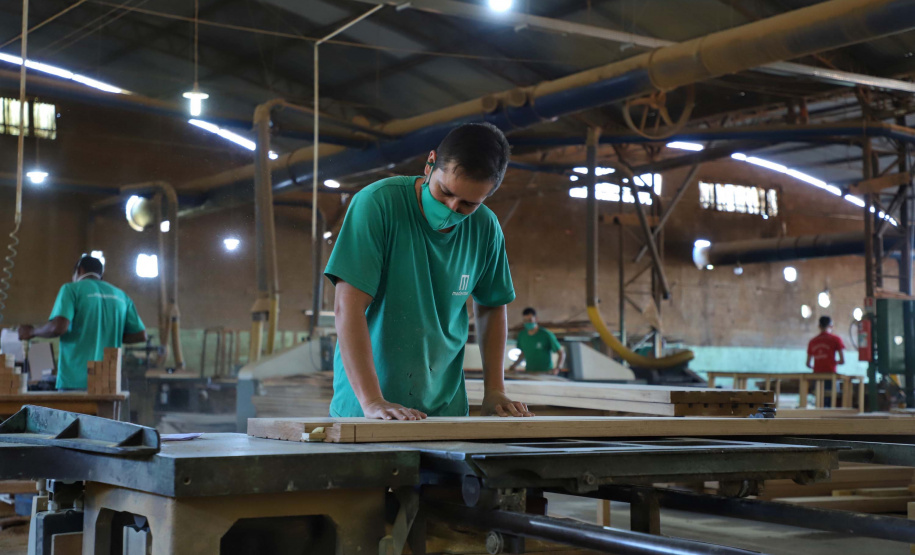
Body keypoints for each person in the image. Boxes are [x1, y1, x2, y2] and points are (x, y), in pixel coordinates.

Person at [325, 122, 532, 420]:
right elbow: (348, 307)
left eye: (467, 204)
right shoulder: (378, 205)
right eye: (445, 192)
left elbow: (491, 307)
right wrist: (372, 401)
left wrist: (495, 390)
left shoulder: (485, 227)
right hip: (366, 412)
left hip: (444, 411)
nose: (451, 207)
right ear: (430, 163)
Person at [18, 255, 147, 390]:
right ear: (100, 275)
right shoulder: (121, 296)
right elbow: (141, 335)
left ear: (79, 270)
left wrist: (31, 332)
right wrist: (107, 333)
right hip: (108, 383)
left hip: (75, 382)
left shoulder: (72, 289)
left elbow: (58, 327)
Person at [508, 307, 565, 375]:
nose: (528, 323)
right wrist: (514, 365)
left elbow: (561, 353)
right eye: (525, 320)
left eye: (530, 320)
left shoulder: (546, 334)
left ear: (536, 319)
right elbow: (523, 353)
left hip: (545, 373)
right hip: (529, 372)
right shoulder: (522, 335)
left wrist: (558, 368)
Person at [806, 315, 845, 407]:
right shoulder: (836, 339)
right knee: (832, 402)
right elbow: (842, 360)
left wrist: (817, 366)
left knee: (819, 402)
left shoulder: (813, 341)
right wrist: (833, 362)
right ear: (831, 326)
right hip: (831, 375)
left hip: (817, 375)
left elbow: (808, 363)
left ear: (819, 326)